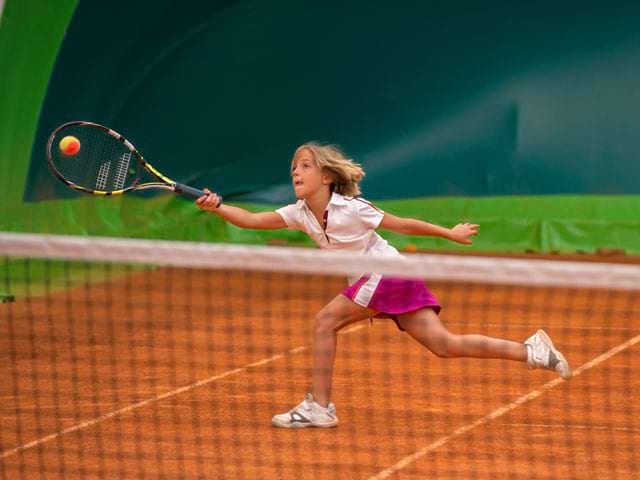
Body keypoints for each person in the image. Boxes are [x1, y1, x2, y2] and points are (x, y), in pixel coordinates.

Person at [196, 142, 572, 429]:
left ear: (326, 177)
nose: (296, 171)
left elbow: (402, 224)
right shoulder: (298, 214)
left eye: (305, 166)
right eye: (294, 167)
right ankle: (531, 351)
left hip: (385, 273)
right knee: (444, 345)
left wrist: (449, 234)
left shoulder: (352, 208)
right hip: (390, 279)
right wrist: (217, 207)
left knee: (324, 322)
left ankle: (321, 407)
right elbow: (251, 220)